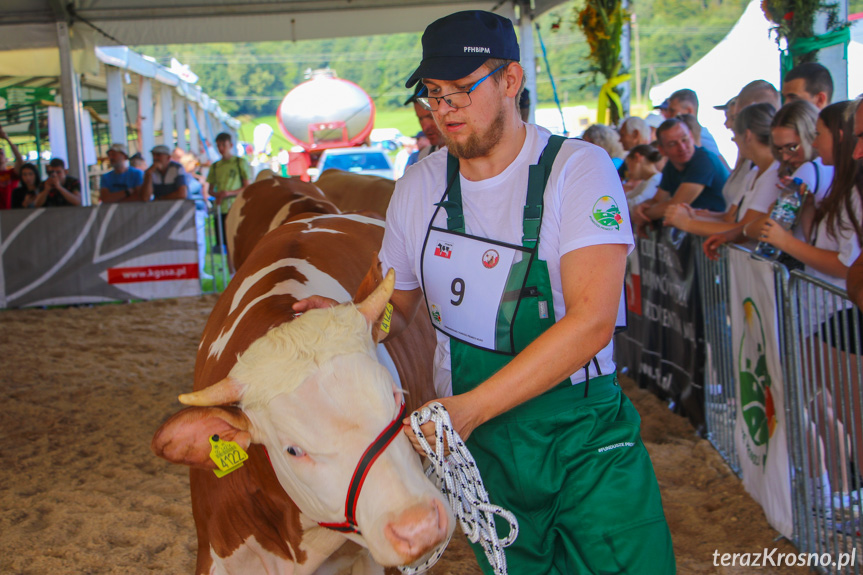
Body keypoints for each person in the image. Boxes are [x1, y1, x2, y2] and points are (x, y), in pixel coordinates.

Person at [293, 10, 675, 574]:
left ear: (511, 81)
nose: (443, 109)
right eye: (432, 94)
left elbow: (593, 321)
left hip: (581, 435)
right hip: (479, 448)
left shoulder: (578, 170)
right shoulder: (419, 186)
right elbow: (391, 308)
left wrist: (469, 410)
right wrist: (349, 320)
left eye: (460, 91)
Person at [756, 100, 863, 501]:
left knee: (835, 410)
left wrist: (783, 241)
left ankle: (836, 493)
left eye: (815, 136)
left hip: (838, 314)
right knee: (817, 404)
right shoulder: (836, 183)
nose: (809, 147)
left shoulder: (834, 181)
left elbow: (842, 265)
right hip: (826, 316)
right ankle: (831, 492)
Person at [703, 100, 821, 257]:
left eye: (792, 147)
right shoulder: (799, 171)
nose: (785, 156)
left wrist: (737, 232)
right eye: (779, 149)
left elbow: (767, 225)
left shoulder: (807, 170)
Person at [665, 103, 777, 237]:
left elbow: (743, 230)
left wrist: (686, 222)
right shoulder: (754, 173)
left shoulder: (773, 175)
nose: (733, 140)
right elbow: (730, 218)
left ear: (747, 136)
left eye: (734, 134)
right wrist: (695, 216)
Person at [633, 118, 728, 228]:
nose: (682, 148)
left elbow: (675, 205)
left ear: (691, 137)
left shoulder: (704, 161)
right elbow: (658, 199)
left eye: (684, 140)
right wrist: (640, 208)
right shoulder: (671, 165)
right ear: (662, 150)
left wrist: (643, 215)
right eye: (673, 144)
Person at [206, 132, 251, 248]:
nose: (221, 148)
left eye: (223, 145)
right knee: (226, 242)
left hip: (237, 206)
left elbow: (247, 186)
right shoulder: (215, 166)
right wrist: (218, 195)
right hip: (221, 208)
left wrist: (229, 193)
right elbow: (210, 190)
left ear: (230, 145)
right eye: (218, 145)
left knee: (240, 240)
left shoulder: (239, 162)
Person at [180, 152, 213, 281]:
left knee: (200, 243)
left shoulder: (193, 177)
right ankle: (194, 271)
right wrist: (202, 184)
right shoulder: (186, 178)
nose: (197, 166)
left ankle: (199, 270)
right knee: (196, 243)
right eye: (196, 163)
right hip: (190, 213)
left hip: (197, 212)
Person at [667, 88, 724, 161]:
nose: (668, 116)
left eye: (672, 111)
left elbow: (721, 165)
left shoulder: (701, 135)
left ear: (688, 111)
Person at [405, 83, 444, 168]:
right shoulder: (425, 155)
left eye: (431, 117)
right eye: (420, 119)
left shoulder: (469, 155)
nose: (425, 127)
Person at [624, 144, 663, 209]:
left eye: (629, 165)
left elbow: (637, 202)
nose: (629, 171)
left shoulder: (656, 180)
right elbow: (629, 196)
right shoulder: (646, 181)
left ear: (637, 158)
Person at [0, 123, 24, 210]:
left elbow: (20, 160)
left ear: (6, 159)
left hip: (11, 213)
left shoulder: (11, 174)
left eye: (1, 153)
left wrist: (7, 139)